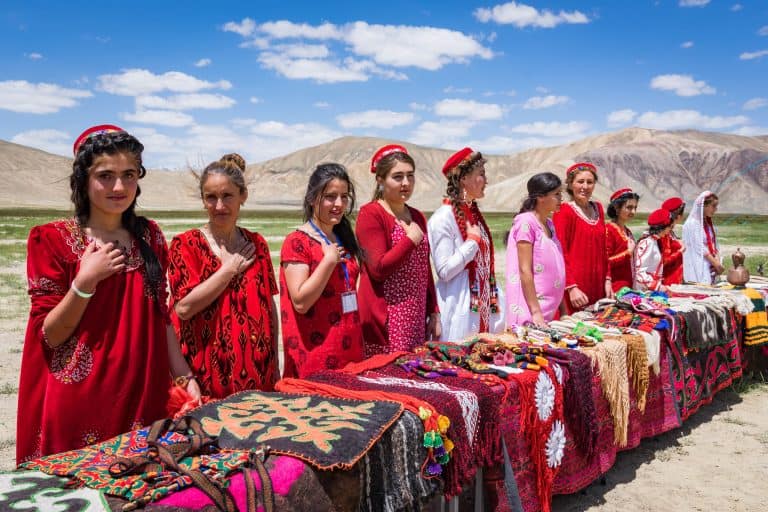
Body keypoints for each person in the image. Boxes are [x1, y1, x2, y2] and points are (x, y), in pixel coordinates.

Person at [17, 125, 199, 464]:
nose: (119, 186)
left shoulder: (150, 236)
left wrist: (184, 376)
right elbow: (51, 335)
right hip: (79, 398)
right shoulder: (51, 239)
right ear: (83, 180)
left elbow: (161, 317)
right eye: (105, 175)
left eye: (129, 174)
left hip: (142, 393)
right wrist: (84, 282)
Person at [168, 154, 279, 398]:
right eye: (211, 197)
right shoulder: (185, 245)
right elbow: (183, 309)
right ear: (203, 200)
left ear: (243, 196)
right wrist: (228, 271)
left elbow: (269, 307)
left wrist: (275, 368)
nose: (219, 206)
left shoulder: (257, 243)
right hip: (204, 377)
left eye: (227, 196)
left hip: (258, 377)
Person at [280, 163, 364, 378]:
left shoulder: (343, 237)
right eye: (330, 196)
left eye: (344, 197)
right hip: (316, 356)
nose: (338, 204)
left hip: (350, 350)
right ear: (312, 198)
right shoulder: (297, 242)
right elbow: (300, 302)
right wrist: (328, 262)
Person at [356, 144, 440, 355]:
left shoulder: (417, 216)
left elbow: (424, 269)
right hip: (387, 318)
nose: (406, 183)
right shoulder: (371, 214)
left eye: (410, 176)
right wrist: (410, 240)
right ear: (380, 180)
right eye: (398, 177)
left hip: (416, 315)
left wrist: (434, 311)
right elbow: (378, 268)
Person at [427, 147, 504, 340]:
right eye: (481, 174)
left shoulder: (474, 214)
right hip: (459, 309)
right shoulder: (442, 218)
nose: (486, 181)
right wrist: (471, 243)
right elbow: (444, 271)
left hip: (483, 308)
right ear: (463, 179)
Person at [505, 172, 567, 327]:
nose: (561, 198)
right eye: (556, 194)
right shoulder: (526, 223)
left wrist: (564, 310)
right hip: (531, 313)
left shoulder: (549, 224)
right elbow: (524, 270)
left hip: (548, 311)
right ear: (541, 197)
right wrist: (535, 312)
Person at [552, 162, 612, 312]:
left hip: (598, 284)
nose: (585, 186)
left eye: (590, 182)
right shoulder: (564, 211)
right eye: (580, 182)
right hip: (576, 288)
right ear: (571, 184)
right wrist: (571, 287)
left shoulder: (598, 208)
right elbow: (560, 251)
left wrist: (608, 279)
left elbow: (605, 248)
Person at [682, 191, 723, 284]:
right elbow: (699, 247)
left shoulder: (708, 224)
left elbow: (714, 243)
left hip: (710, 262)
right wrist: (715, 263)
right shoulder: (692, 224)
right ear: (704, 206)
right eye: (713, 206)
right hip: (698, 264)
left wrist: (717, 259)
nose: (715, 209)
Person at [605, 188, 640, 292]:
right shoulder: (609, 230)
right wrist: (628, 253)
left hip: (628, 286)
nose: (633, 211)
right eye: (629, 207)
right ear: (616, 207)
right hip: (615, 288)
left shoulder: (628, 231)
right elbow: (605, 262)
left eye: (635, 208)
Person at [633, 208, 675, 293]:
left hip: (651, 289)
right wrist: (657, 287)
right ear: (663, 226)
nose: (670, 230)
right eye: (670, 227)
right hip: (644, 291)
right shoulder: (647, 242)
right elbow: (639, 273)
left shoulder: (655, 241)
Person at [660, 197, 686, 285]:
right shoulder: (665, 234)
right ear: (679, 216)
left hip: (675, 277)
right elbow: (664, 261)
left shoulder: (670, 232)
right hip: (669, 280)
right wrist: (680, 251)